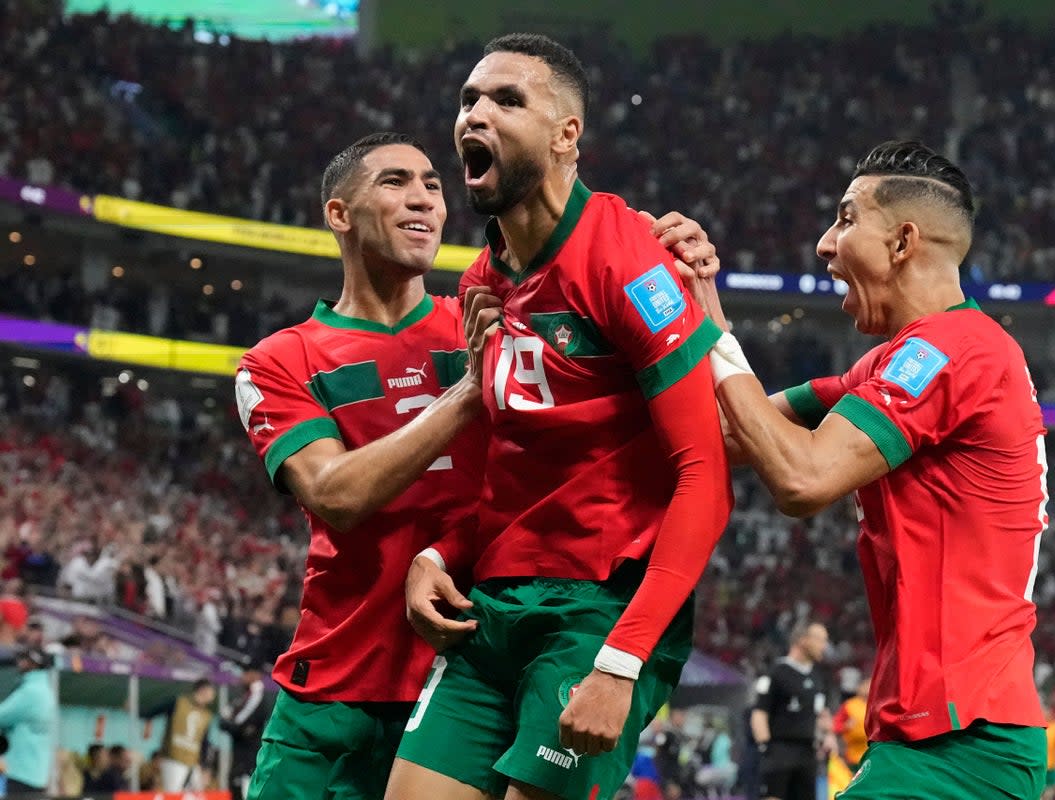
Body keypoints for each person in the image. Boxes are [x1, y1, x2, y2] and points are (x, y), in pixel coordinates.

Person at [237, 131, 715, 800]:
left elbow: (613, 418)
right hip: (335, 693)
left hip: (476, 668)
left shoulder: (497, 319)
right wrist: (469, 392)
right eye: (396, 182)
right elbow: (333, 494)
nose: (424, 199)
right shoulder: (281, 360)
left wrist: (675, 267)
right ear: (339, 214)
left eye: (433, 184)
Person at [392, 32, 732, 800]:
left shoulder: (629, 260)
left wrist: (622, 661)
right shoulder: (480, 282)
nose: (476, 114)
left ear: (566, 135)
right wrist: (439, 558)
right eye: (468, 100)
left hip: (596, 613)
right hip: (493, 611)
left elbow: (706, 476)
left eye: (507, 100)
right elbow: (511, 462)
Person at [687, 140, 1049, 800]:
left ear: (903, 241)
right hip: (943, 736)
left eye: (847, 219)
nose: (826, 244)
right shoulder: (897, 363)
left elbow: (802, 479)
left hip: (960, 743)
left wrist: (714, 333)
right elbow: (735, 434)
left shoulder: (950, 352)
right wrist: (675, 310)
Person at [751, 623, 831, 800]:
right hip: (780, 749)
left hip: (808, 753)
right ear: (802, 640)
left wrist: (828, 735)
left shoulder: (817, 677)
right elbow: (759, 713)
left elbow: (821, 713)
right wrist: (766, 748)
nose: (824, 646)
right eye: (820, 640)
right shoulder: (776, 672)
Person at [142, 677, 216, 791]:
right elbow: (153, 711)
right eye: (211, 691)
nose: (213, 695)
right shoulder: (178, 702)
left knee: (197, 793)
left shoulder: (206, 715)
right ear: (202, 690)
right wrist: (148, 724)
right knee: (173, 792)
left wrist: (204, 766)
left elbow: (204, 742)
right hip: (173, 757)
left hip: (193, 761)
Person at [0, 647, 55, 796]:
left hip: (21, 773)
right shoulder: (45, 690)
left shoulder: (31, 691)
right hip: (37, 774)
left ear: (33, 664)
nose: (19, 663)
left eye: (24, 659)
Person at [219, 665, 268, 800]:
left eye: (246, 672)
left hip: (248, 759)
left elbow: (240, 726)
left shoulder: (257, 696)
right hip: (241, 757)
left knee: (244, 791)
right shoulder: (244, 695)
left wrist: (227, 724)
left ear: (256, 674)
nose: (242, 676)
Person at [832, 678, 870, 773]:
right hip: (853, 755)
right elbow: (835, 725)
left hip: (872, 752)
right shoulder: (849, 705)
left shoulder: (878, 705)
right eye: (866, 684)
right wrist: (846, 726)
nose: (868, 688)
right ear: (859, 687)